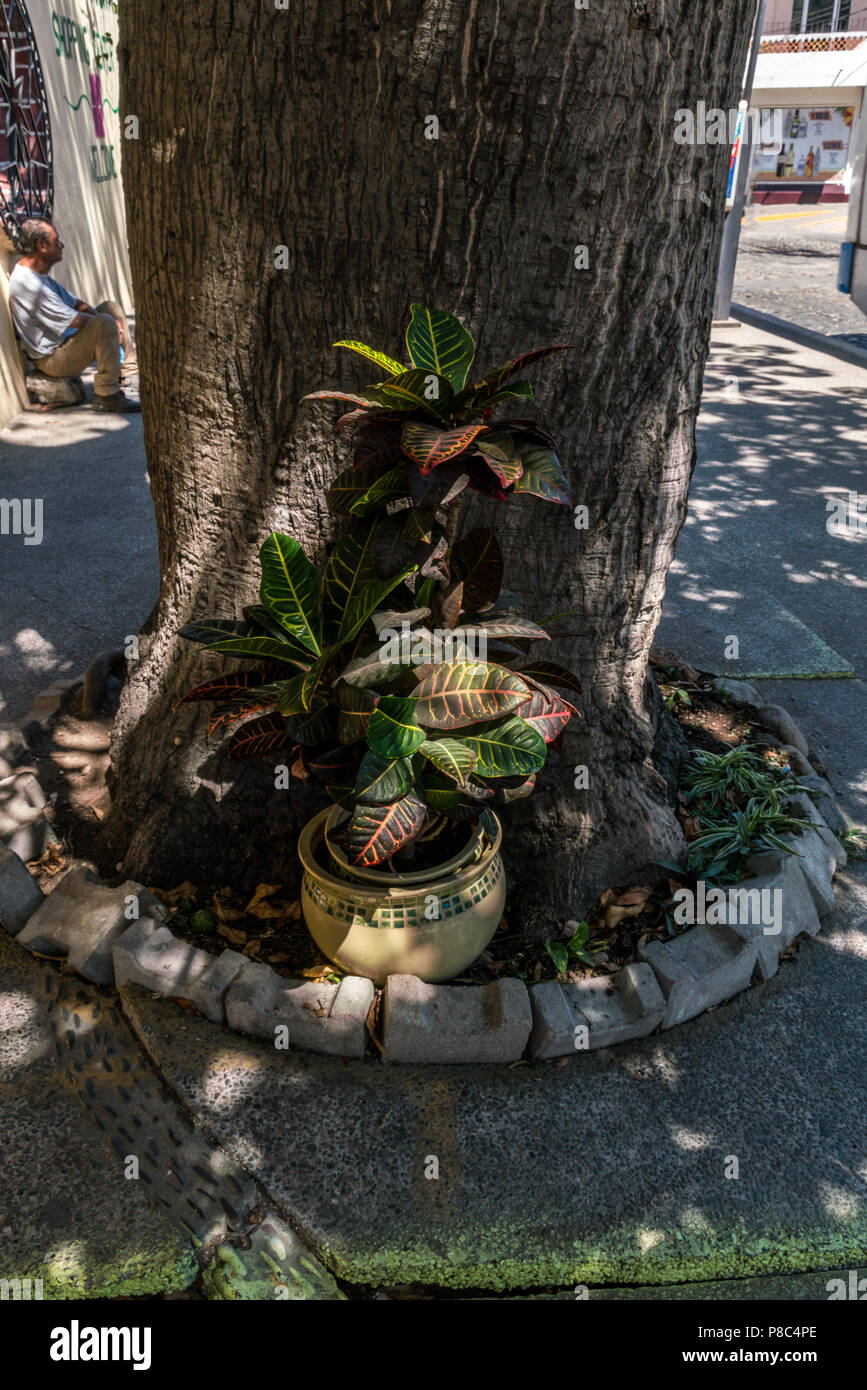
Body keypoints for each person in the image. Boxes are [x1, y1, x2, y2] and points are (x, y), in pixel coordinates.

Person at [8, 218, 140, 413]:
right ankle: (107, 395)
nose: (61, 245)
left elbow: (77, 303)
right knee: (104, 322)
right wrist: (110, 325)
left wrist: (111, 321)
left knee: (109, 309)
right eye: (56, 241)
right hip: (53, 359)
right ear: (41, 245)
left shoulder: (39, 274)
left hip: (66, 343)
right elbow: (76, 320)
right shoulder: (28, 285)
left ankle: (129, 373)